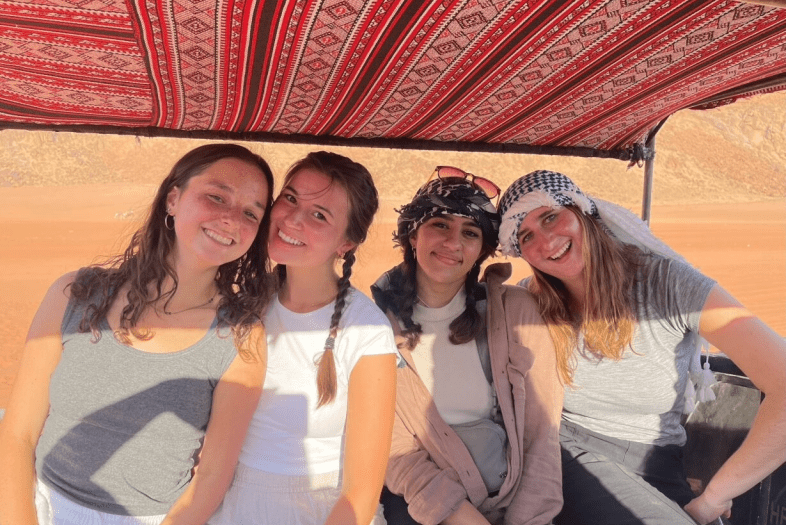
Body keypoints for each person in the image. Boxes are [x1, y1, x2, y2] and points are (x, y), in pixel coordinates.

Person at [0, 143, 275, 525]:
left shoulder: (241, 336)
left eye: (250, 213)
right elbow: (17, 435)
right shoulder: (75, 293)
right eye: (216, 197)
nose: (232, 219)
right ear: (173, 199)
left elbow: (212, 476)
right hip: (42, 506)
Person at [496, 170, 786, 525]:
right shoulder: (530, 302)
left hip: (659, 463)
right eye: (526, 236)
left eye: (551, 216)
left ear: (583, 211)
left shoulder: (666, 284)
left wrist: (715, 497)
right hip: (568, 452)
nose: (546, 240)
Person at [209, 151, 398, 525]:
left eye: (319, 215)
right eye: (291, 198)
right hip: (225, 500)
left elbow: (359, 495)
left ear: (347, 243)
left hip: (319, 510)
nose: (292, 219)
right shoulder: (241, 301)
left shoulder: (367, 332)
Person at [370, 167, 563, 525]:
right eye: (439, 224)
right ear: (413, 235)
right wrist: (460, 516)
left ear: (482, 251)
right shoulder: (374, 323)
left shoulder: (515, 311)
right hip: (425, 506)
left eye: (470, 233)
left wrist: (530, 520)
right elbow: (392, 449)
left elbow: (542, 434)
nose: (453, 243)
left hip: (513, 503)